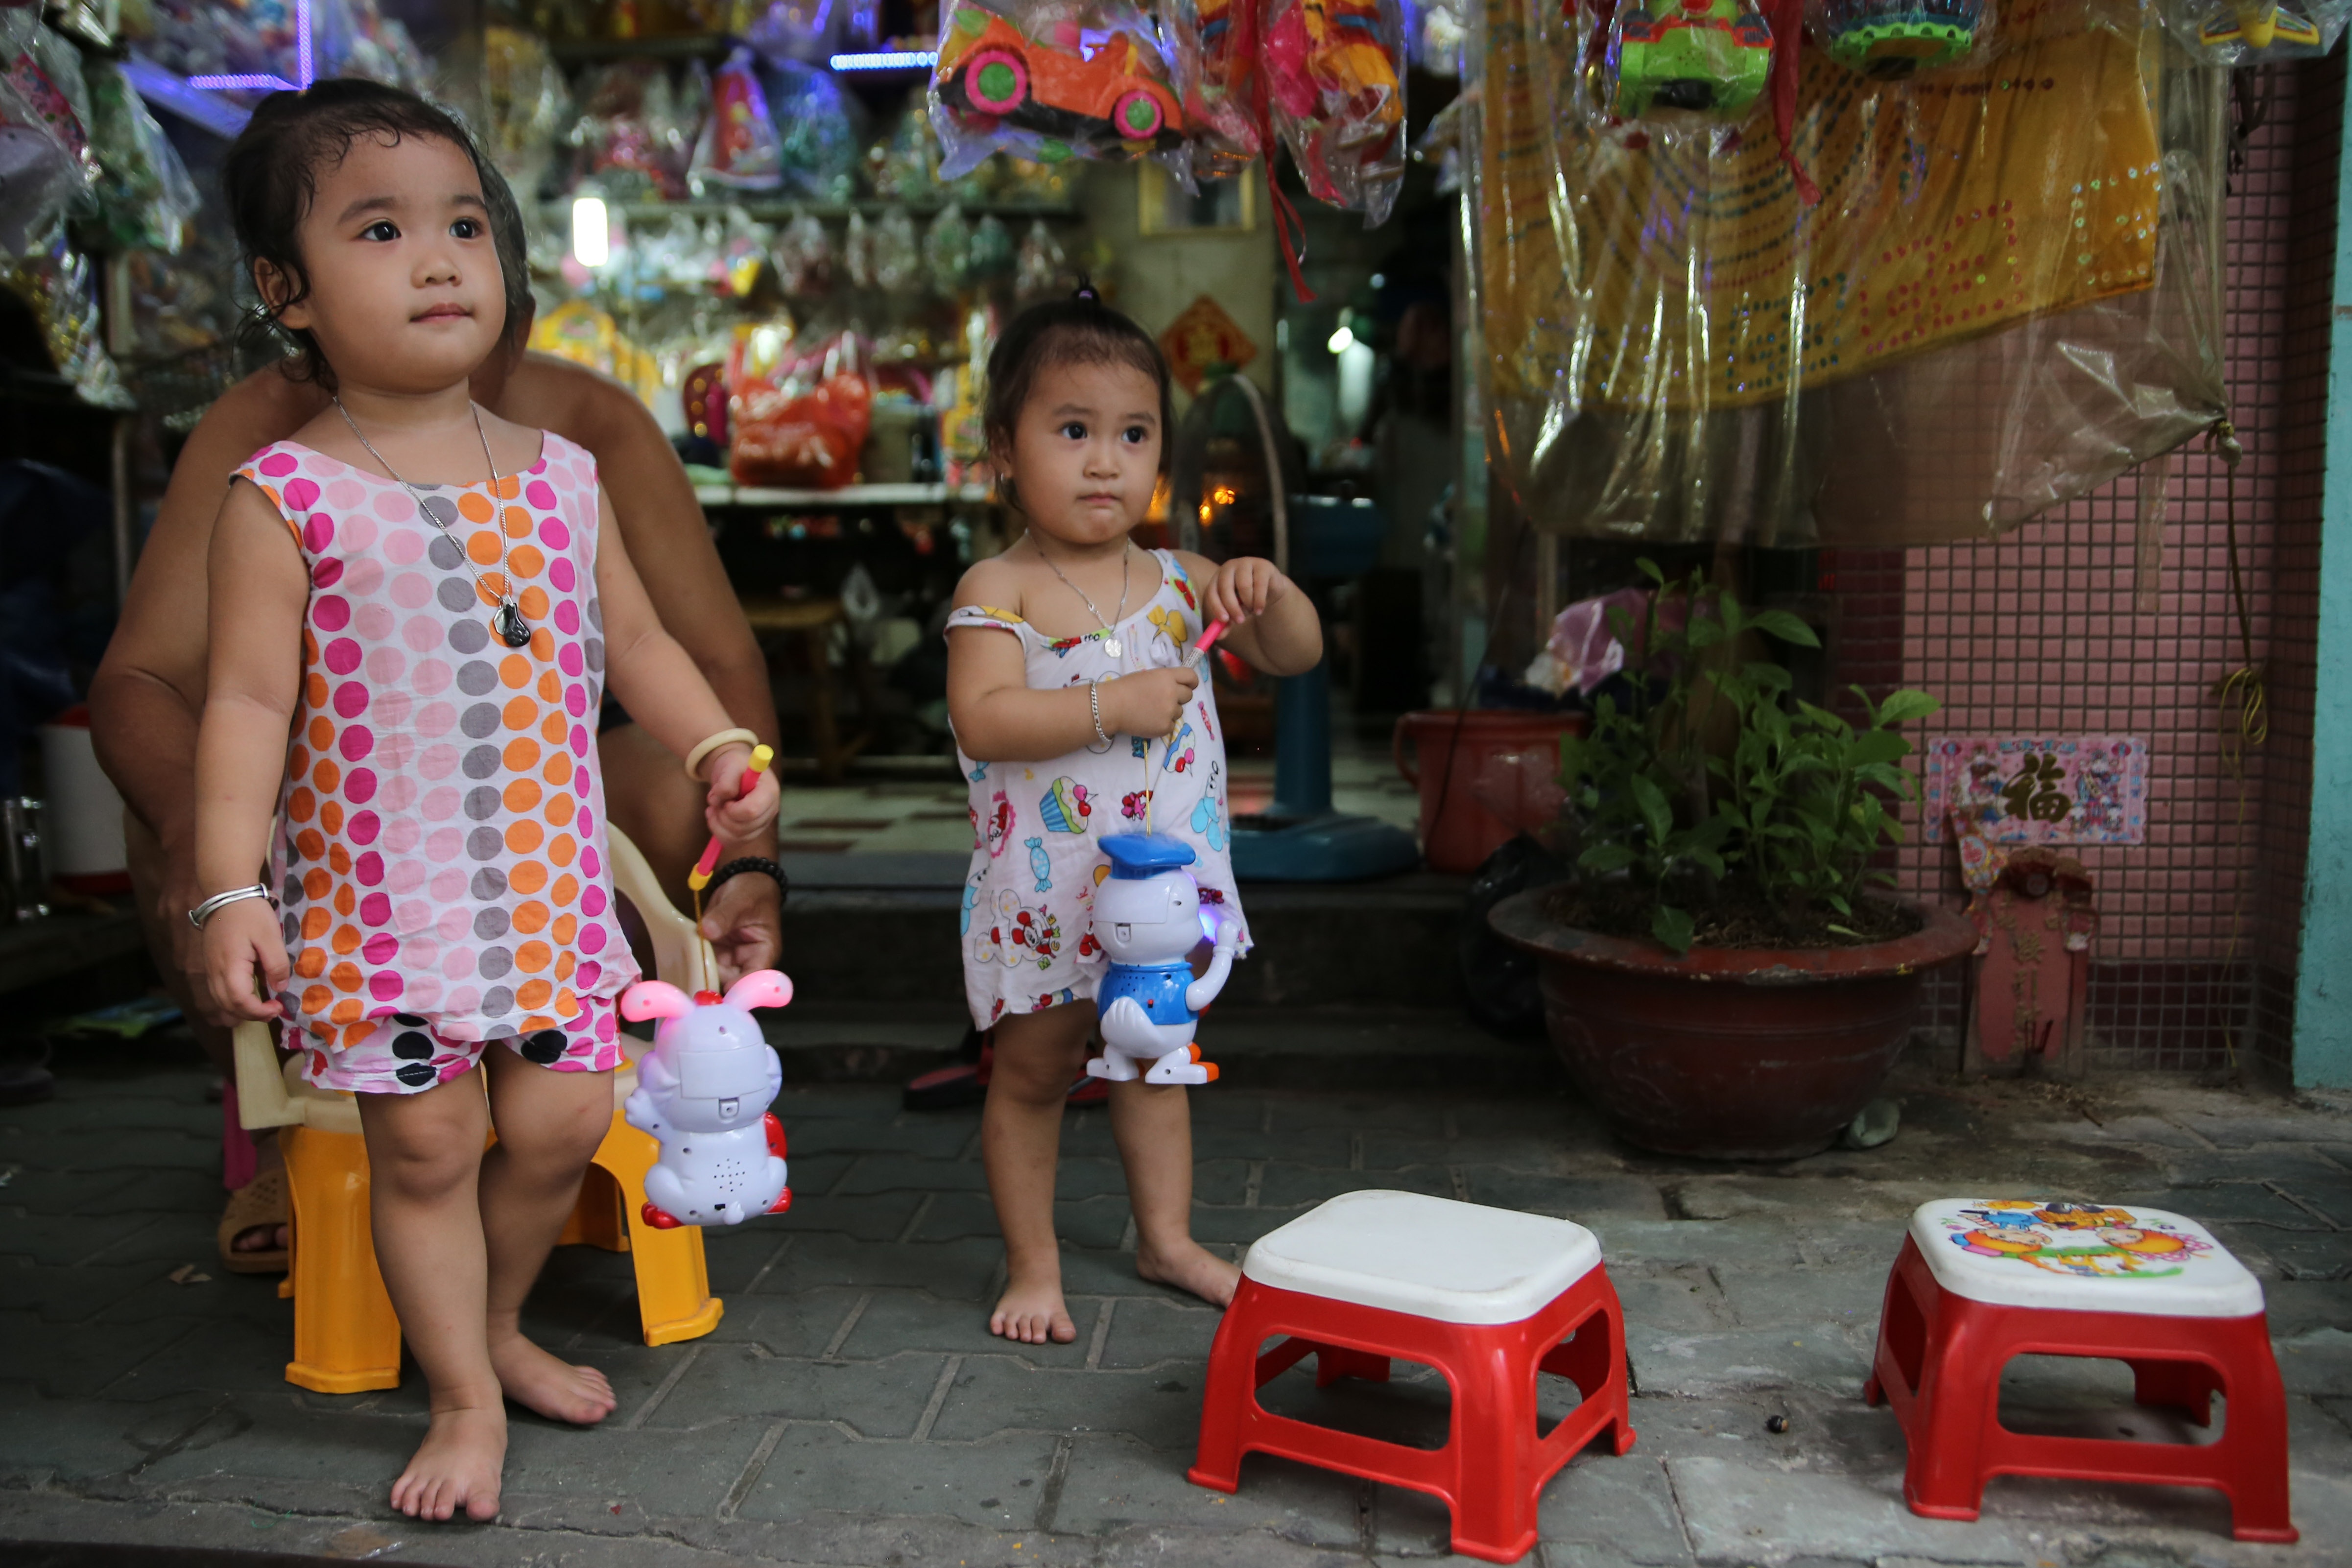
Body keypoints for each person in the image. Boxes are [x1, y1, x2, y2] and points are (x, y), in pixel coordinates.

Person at [187, 80, 782, 1521]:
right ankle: (461, 1393)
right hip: (384, 909)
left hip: (548, 900)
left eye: (463, 223)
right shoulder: (284, 497)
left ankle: (502, 1318)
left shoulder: (563, 476)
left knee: (568, 1122)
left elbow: (636, 645)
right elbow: (248, 711)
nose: (441, 258)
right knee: (432, 1143)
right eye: (380, 231)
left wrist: (715, 749)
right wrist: (226, 889)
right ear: (288, 290)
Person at [944, 292, 1322, 1345]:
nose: (1105, 461)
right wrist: (1107, 704)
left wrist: (1268, 588)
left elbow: (1297, 655)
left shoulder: (1177, 581)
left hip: (1156, 903)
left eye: (1132, 433)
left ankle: (1166, 1235)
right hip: (1044, 898)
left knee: (1155, 1058)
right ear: (1003, 454)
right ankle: (1034, 1263)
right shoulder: (1001, 587)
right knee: (1031, 1073)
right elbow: (981, 713)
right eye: (1072, 431)